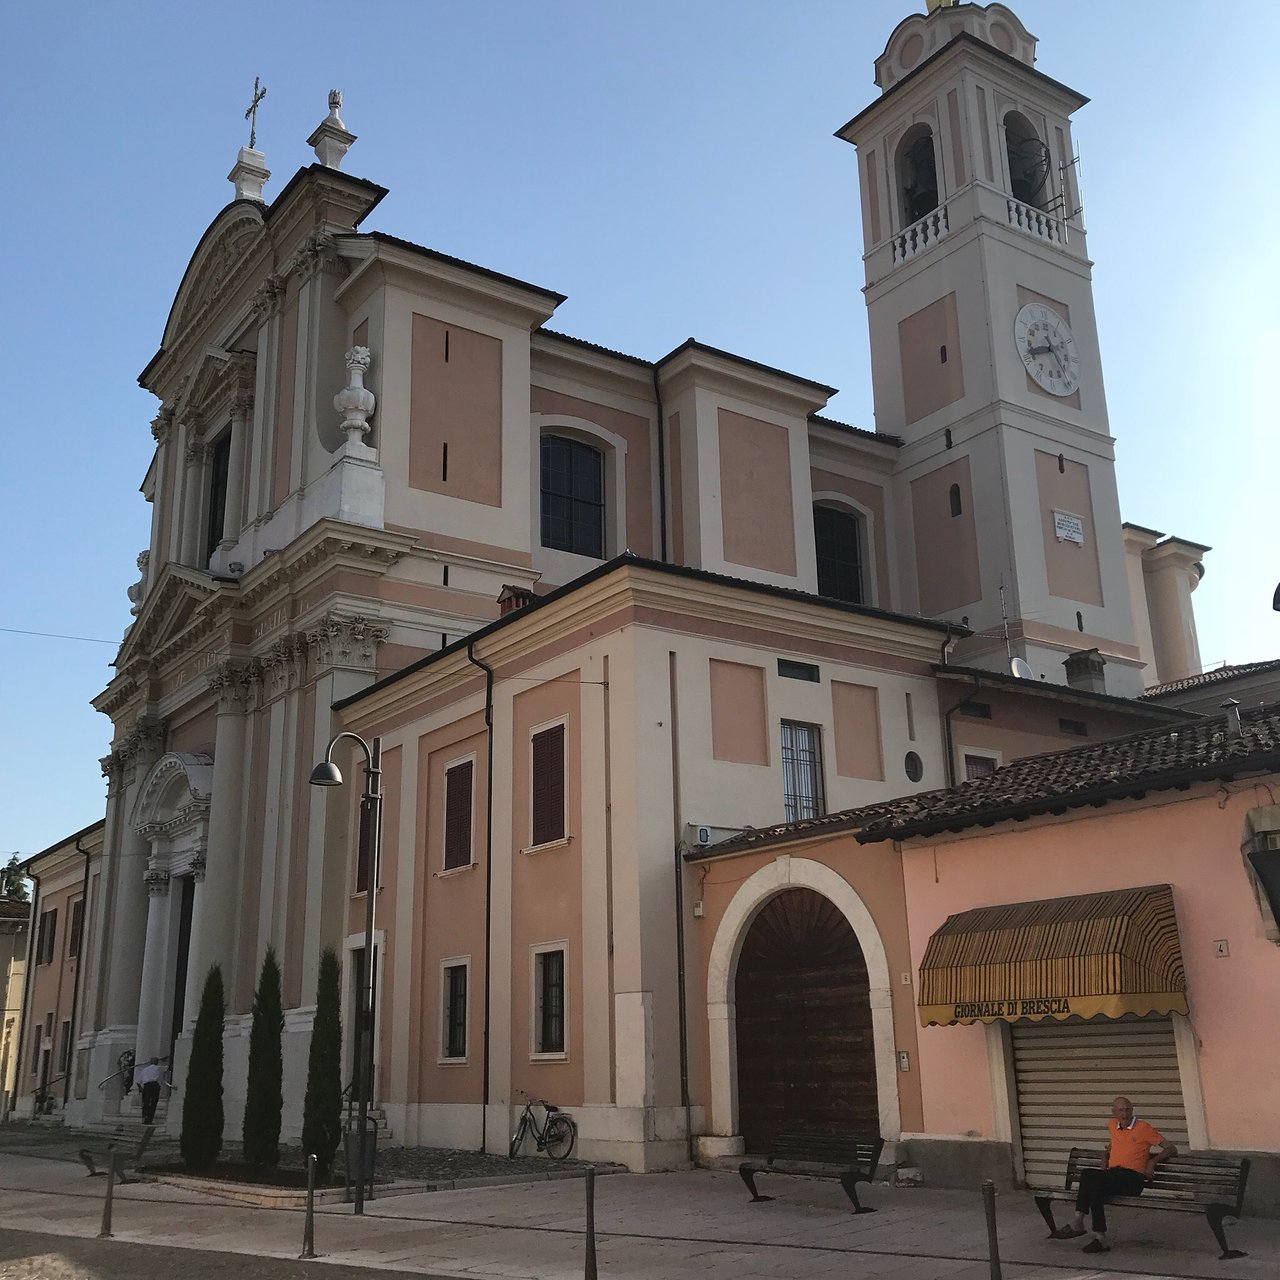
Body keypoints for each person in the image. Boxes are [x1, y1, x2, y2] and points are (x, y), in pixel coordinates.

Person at [1051, 1095, 1177, 1254]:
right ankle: (1099, 1236)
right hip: (1113, 1175)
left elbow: (1171, 1148)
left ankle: (1080, 1223)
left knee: (1093, 1180)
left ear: (1132, 1110)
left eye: (1127, 1110)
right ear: (1114, 1112)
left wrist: (1152, 1162)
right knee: (1090, 1179)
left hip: (1132, 1179)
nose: (1125, 1114)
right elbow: (1113, 1145)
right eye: (1120, 1110)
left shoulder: (1143, 1128)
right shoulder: (1112, 1125)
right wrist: (1105, 1156)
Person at [135, 1057, 165, 1126]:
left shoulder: (145, 1070)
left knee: (146, 1102)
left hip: (147, 1086)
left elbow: (138, 1081)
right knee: (153, 1102)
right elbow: (166, 1068)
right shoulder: (158, 1068)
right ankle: (150, 1118)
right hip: (154, 1085)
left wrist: (141, 1088)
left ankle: (145, 1117)